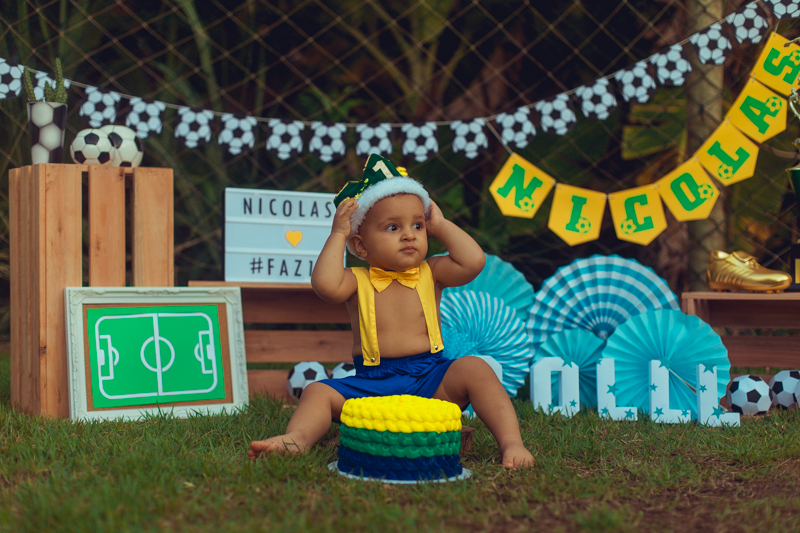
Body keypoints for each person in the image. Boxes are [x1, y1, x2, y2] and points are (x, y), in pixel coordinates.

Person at [248, 155, 534, 469]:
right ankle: (297, 439)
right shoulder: (356, 280)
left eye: (418, 225)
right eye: (393, 227)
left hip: (430, 378)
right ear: (361, 246)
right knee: (318, 391)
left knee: (476, 369)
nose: (409, 234)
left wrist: (441, 225)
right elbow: (325, 285)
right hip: (372, 385)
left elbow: (473, 262)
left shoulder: (432, 271)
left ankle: (512, 443)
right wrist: (338, 234)